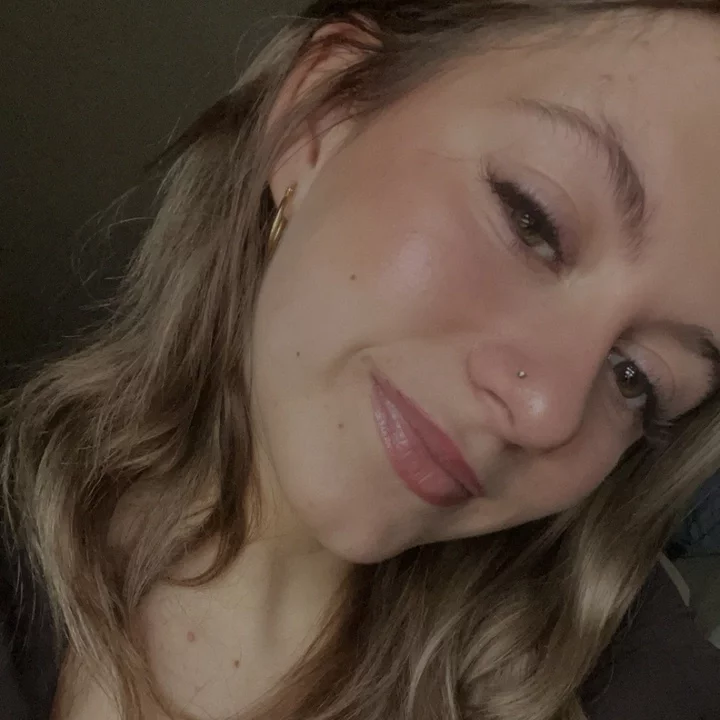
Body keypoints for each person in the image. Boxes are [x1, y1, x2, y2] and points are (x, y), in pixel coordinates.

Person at [2, 0, 720, 718]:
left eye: (637, 377)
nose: (547, 413)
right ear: (321, 118)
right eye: (533, 220)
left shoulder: (628, 678)